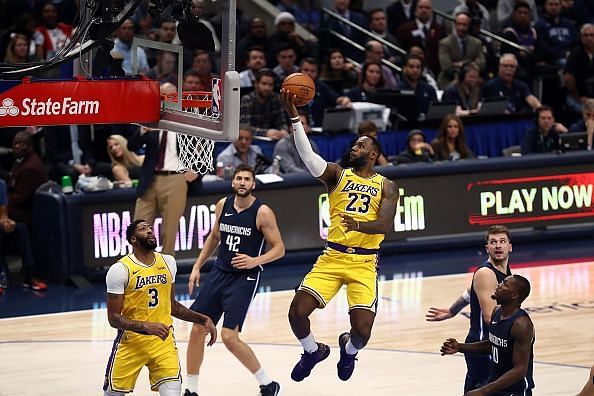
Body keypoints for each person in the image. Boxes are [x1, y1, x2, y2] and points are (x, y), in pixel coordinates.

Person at [280, 89, 400, 382]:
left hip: (364, 263)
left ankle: (348, 351)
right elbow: (308, 157)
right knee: (296, 313)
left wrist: (357, 225)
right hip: (332, 258)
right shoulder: (337, 174)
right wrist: (294, 116)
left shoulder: (387, 185)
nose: (354, 148)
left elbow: (385, 225)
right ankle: (312, 351)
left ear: (373, 154)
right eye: (354, 144)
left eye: (360, 145)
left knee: (362, 332)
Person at [184, 165, 285, 396]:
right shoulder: (223, 204)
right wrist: (197, 266)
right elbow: (214, 236)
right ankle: (191, 389)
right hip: (220, 272)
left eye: (246, 179)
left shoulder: (263, 212)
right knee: (198, 327)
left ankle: (267, 383)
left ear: (253, 184)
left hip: (244, 277)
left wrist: (254, 260)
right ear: (232, 183)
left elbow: (279, 249)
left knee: (229, 337)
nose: (242, 182)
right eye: (238, 178)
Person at [102, 219, 217, 396]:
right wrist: (146, 326)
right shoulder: (120, 270)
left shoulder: (168, 262)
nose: (149, 231)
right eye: (143, 229)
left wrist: (203, 319)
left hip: (163, 342)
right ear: (133, 240)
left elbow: (172, 306)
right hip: (131, 343)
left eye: (150, 228)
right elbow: (114, 319)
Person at [426, 225, 513, 392]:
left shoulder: (505, 272)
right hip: (483, 345)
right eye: (493, 242)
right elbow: (490, 318)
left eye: (502, 241)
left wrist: (452, 310)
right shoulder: (486, 273)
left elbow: (470, 291)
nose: (498, 246)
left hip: (489, 344)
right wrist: (518, 326)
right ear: (487, 248)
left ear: (510, 246)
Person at [440, 274, 535, 396]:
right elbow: (492, 345)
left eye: (504, 284)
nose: (498, 285)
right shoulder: (496, 311)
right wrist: (460, 347)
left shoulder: (521, 324)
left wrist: (483, 391)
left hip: (515, 390)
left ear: (514, 295)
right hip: (495, 384)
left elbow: (520, 370)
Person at [128, 126, 200, 256]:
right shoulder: (154, 123)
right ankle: (140, 269)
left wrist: (198, 171)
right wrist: (143, 130)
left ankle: (166, 272)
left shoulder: (187, 123)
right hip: (149, 179)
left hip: (176, 178)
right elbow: (131, 146)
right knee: (139, 229)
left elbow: (206, 145)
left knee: (169, 231)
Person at [0, 179, 47, 293]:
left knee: (20, 229)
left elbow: (3, 214)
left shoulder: (0, 184)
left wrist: (6, 222)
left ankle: (29, 276)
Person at [239, 69, 289, 140]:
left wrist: (283, 131)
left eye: (270, 85)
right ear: (256, 84)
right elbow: (244, 127)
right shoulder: (247, 99)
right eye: (264, 84)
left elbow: (281, 122)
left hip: (273, 138)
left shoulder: (276, 98)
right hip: (252, 140)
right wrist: (265, 132)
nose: (267, 88)